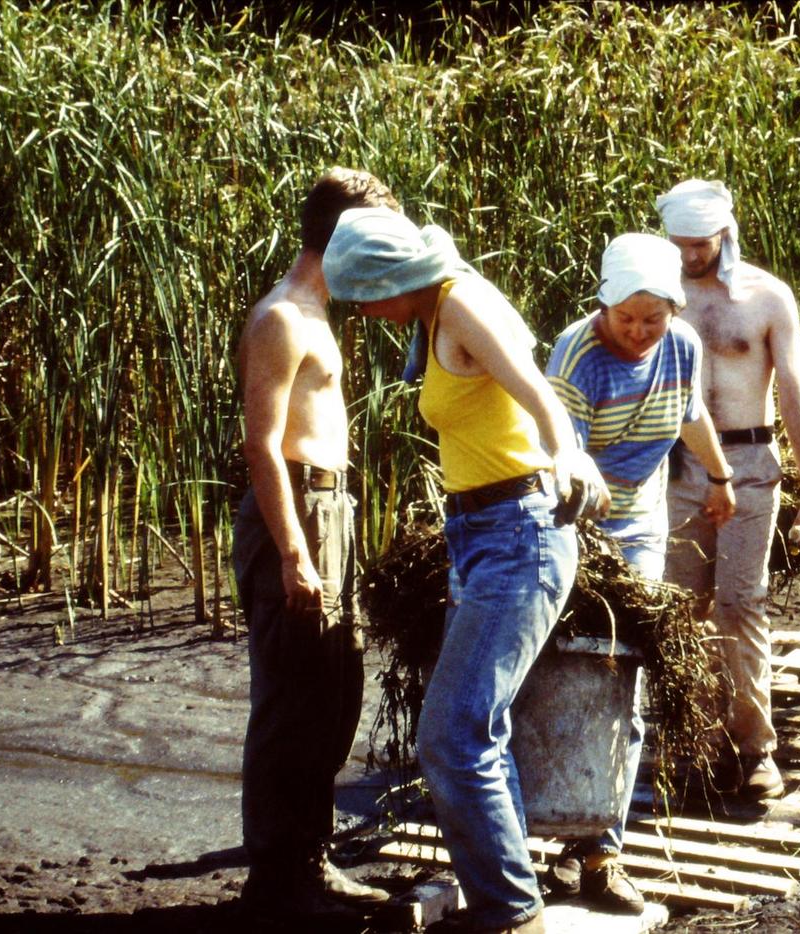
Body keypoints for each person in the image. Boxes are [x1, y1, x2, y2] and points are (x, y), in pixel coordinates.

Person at [323, 206, 609, 934]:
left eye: (368, 297)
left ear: (396, 277)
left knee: (451, 736)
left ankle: (510, 914)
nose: (368, 313)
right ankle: (506, 893)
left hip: (521, 532)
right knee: (484, 727)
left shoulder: (463, 302)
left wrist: (569, 454)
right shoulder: (433, 311)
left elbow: (537, 390)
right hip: (479, 533)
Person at [542, 233, 737, 913]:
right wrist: (589, 543)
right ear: (603, 306)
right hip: (572, 522)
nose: (639, 332)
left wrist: (719, 473)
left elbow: (690, 415)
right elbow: (561, 453)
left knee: (625, 681)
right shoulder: (579, 352)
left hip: (641, 524)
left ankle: (601, 853)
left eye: (652, 319)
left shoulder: (681, 345)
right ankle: (549, 827)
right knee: (562, 674)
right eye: (626, 319)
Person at [231, 167, 398, 922]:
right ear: (339, 239)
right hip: (297, 510)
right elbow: (262, 447)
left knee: (333, 689)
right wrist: (294, 551)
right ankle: (277, 874)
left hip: (331, 509)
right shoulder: (282, 319)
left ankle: (308, 859)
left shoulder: (318, 314)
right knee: (292, 694)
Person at [656, 179, 800, 798]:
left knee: (740, 603)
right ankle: (691, 742)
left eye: (698, 245)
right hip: (677, 466)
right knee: (680, 607)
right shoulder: (660, 293)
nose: (686, 255)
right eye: (676, 243)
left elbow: (793, 393)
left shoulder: (765, 296)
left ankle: (756, 747)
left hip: (750, 459)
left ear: (723, 234)